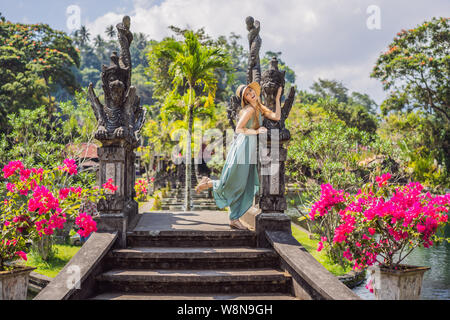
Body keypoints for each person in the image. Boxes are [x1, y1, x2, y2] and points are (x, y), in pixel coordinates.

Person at [195, 82, 283, 230]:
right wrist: (256, 132)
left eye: (250, 91)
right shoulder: (249, 110)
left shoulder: (259, 108)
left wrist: (278, 99)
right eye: (247, 94)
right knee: (237, 184)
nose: (250, 94)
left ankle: (232, 215)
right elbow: (239, 128)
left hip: (249, 150)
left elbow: (277, 117)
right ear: (246, 99)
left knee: (245, 184)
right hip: (243, 148)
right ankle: (213, 188)